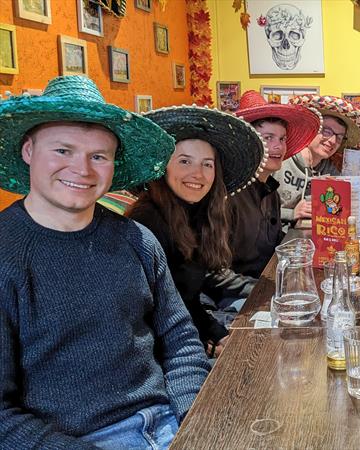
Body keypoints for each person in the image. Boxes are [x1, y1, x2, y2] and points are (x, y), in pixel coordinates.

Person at [0, 76, 209, 448]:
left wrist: (195, 421)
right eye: (63, 151)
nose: (82, 170)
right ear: (28, 150)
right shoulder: (7, 255)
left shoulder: (137, 240)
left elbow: (180, 339)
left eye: (99, 156)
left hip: (170, 420)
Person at [128, 105, 266, 358]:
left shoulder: (200, 213)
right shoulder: (147, 222)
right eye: (184, 161)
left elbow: (184, 297)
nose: (198, 174)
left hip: (186, 332)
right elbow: (155, 311)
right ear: (163, 167)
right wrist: (202, 340)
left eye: (207, 164)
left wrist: (215, 331)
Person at [225, 90, 322, 279]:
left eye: (282, 139)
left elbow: (274, 246)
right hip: (232, 299)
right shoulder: (229, 194)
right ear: (247, 143)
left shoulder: (271, 192)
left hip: (267, 281)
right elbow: (215, 275)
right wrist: (264, 290)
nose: (278, 146)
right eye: (268, 138)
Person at [277, 94, 360, 225]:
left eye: (339, 137)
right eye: (327, 131)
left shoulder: (330, 171)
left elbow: (337, 208)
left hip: (308, 239)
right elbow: (255, 210)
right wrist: (291, 213)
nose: (332, 141)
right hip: (276, 242)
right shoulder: (281, 161)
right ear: (311, 129)